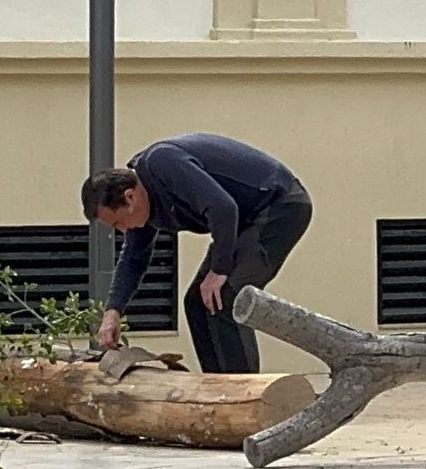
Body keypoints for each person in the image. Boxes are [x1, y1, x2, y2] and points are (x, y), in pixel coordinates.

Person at [80, 133, 312, 374]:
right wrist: (112, 312)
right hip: (243, 220)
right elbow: (133, 260)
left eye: (118, 223)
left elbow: (222, 208)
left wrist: (220, 269)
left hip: (280, 206)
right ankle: (215, 386)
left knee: (225, 296)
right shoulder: (141, 206)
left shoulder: (163, 164)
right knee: (196, 301)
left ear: (129, 197)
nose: (122, 230)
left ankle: (243, 391)